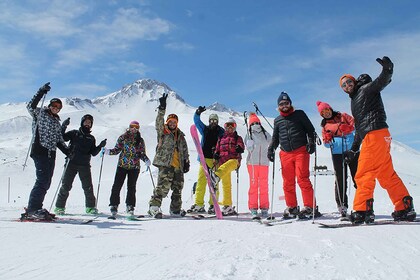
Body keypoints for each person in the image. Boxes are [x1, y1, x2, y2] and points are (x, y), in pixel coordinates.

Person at [339, 56, 416, 224]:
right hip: (379, 135)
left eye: (349, 82)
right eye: (344, 85)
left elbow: (380, 82)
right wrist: (353, 149)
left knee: (364, 173)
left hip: (375, 135)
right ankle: (404, 207)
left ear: (354, 82)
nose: (347, 86)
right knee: (386, 174)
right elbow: (360, 128)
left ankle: (362, 210)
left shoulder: (365, 90)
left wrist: (387, 70)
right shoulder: (356, 101)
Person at [267, 92, 321, 219]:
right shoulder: (277, 120)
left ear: (290, 103)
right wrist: (271, 149)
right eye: (281, 104)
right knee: (287, 182)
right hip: (285, 153)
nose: (284, 105)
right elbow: (275, 138)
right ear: (278, 106)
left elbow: (310, 130)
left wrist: (311, 143)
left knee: (303, 179)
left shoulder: (299, 114)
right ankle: (292, 207)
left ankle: (310, 207)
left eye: (286, 103)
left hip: (300, 151)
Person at [21, 82, 69, 221]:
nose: (55, 108)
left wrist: (68, 152)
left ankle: (38, 207)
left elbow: (59, 141)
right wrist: (41, 91)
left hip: (51, 153)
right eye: (54, 106)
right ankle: (32, 209)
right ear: (49, 105)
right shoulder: (40, 113)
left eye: (58, 107)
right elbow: (30, 106)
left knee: (47, 182)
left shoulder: (56, 123)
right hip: (40, 150)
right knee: (42, 180)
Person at [54, 114, 107, 215]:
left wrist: (100, 146)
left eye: (89, 123)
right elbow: (62, 138)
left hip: (84, 165)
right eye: (86, 122)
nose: (87, 124)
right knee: (66, 186)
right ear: (82, 123)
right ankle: (59, 207)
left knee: (88, 187)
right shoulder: (74, 133)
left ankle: (90, 208)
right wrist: (63, 126)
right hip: (71, 163)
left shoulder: (91, 138)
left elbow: (93, 153)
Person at [148, 93, 190, 218]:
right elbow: (158, 121)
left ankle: (175, 210)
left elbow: (184, 149)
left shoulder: (181, 135)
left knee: (178, 189)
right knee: (162, 187)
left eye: (174, 122)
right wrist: (162, 108)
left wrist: (186, 161)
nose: (172, 123)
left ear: (176, 123)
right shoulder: (163, 131)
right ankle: (153, 208)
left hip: (178, 166)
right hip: (166, 164)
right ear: (167, 122)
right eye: (170, 121)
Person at [316, 101, 358, 217]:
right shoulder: (325, 126)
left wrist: (349, 128)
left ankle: (363, 203)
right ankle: (342, 206)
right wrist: (328, 140)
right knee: (340, 179)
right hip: (337, 154)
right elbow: (326, 144)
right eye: (323, 112)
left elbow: (356, 125)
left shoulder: (343, 116)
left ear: (330, 109)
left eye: (327, 110)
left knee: (358, 177)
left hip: (352, 150)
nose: (326, 113)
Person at [104, 120, 151, 217]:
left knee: (132, 187)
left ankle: (130, 206)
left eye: (136, 127)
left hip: (134, 167)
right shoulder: (123, 137)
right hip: (122, 165)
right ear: (129, 127)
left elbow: (141, 153)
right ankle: (114, 204)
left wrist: (146, 159)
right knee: (117, 185)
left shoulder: (140, 140)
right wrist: (108, 151)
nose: (134, 129)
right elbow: (117, 150)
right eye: (132, 127)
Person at [188, 106, 224, 214]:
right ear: (209, 121)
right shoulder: (205, 129)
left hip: (214, 160)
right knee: (201, 182)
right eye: (211, 121)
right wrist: (197, 113)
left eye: (215, 121)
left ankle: (213, 205)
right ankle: (199, 204)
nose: (213, 122)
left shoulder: (221, 131)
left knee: (214, 183)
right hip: (204, 159)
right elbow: (196, 121)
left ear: (217, 121)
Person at [210, 117, 245, 216]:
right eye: (227, 125)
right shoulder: (221, 138)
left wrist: (240, 148)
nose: (230, 127)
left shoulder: (237, 138)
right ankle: (227, 205)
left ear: (235, 127)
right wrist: (216, 154)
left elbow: (241, 145)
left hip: (234, 160)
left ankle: (216, 176)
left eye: (232, 125)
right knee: (226, 185)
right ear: (225, 127)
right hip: (222, 162)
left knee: (229, 164)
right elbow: (217, 148)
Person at [245, 112, 272, 218]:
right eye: (253, 122)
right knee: (256, 186)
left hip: (263, 163)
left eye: (256, 122)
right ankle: (255, 208)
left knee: (260, 185)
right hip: (253, 163)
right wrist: (249, 145)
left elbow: (272, 143)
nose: (255, 124)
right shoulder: (249, 134)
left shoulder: (265, 134)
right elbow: (247, 147)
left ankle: (262, 207)